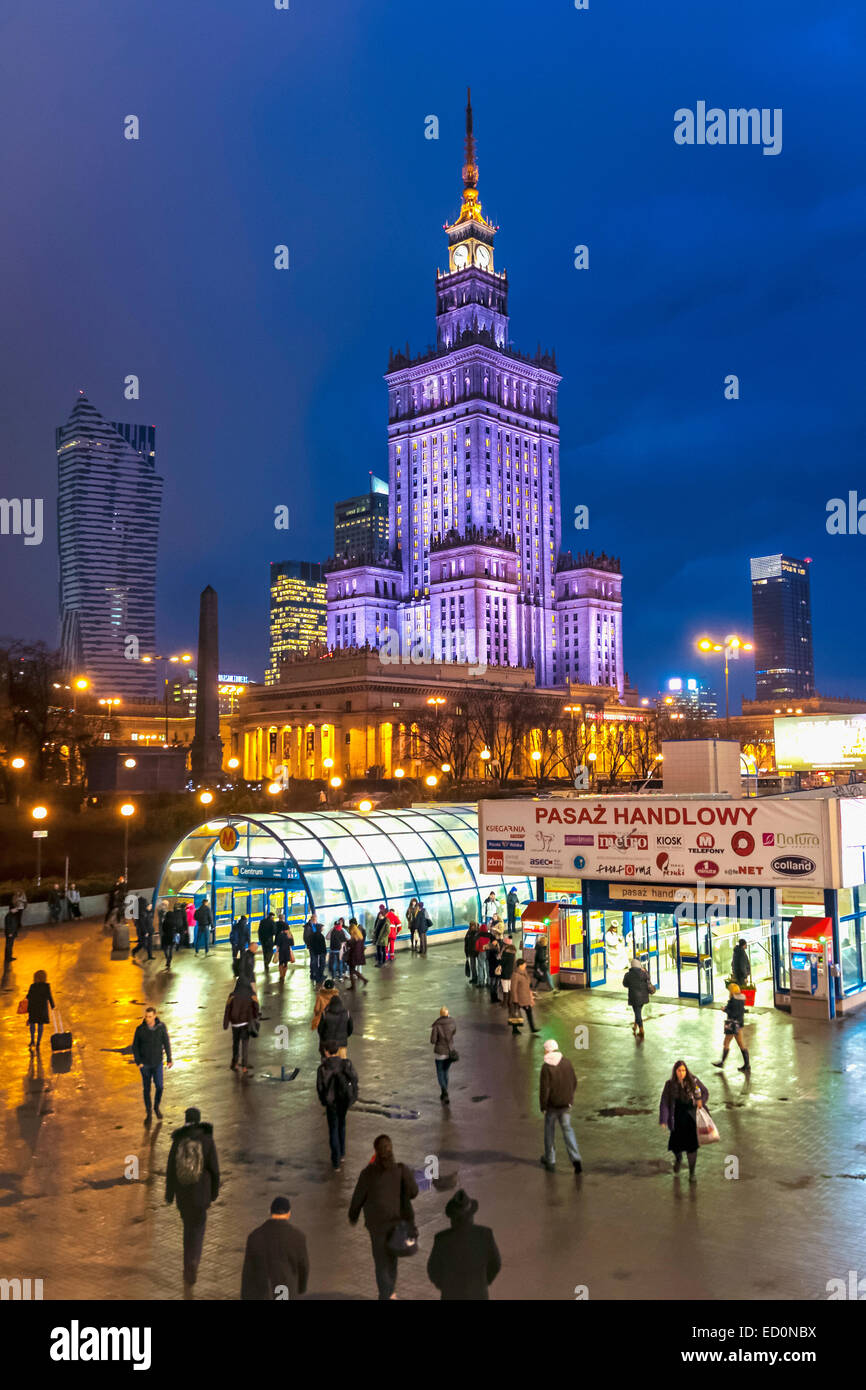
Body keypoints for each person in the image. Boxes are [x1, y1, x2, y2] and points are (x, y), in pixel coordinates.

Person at [348, 1134, 419, 1301]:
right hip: (396, 1223)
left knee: (380, 1263)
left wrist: (353, 1215)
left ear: (376, 1151)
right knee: (392, 1259)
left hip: (376, 1226)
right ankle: (389, 1293)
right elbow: (413, 1192)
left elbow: (358, 1196)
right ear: (391, 1149)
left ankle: (385, 1295)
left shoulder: (368, 1173)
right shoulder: (400, 1170)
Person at [165, 1106, 220, 1286]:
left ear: (186, 1120)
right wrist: (213, 1193)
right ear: (199, 1120)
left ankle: (187, 1262)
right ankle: (194, 1261)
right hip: (201, 1195)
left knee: (187, 1230)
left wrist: (169, 1194)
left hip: (183, 1195)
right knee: (199, 1229)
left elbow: (171, 1169)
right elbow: (214, 1169)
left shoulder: (178, 1139)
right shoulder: (207, 1139)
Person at [427, 1189, 502, 1301]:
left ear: (452, 1218)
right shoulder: (485, 1234)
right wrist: (484, 1282)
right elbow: (496, 1264)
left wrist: (445, 1286)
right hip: (478, 1294)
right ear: (471, 1215)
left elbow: (433, 1269)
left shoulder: (441, 1239)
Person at [241, 1196, 310, 1300]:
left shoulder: (254, 1236)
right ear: (288, 1213)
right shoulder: (298, 1237)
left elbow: (248, 1271)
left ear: (270, 1212)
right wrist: (301, 1289)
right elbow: (304, 1266)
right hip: (285, 1291)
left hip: (261, 1292)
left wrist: (245, 1295)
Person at [659, 1060, 709, 1182]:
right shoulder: (670, 1085)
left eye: (683, 1070)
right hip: (677, 1119)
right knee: (676, 1146)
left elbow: (705, 1092)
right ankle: (678, 1159)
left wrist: (701, 1101)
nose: (682, 1073)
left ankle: (692, 1173)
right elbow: (664, 1102)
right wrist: (664, 1119)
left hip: (691, 1118)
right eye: (679, 1071)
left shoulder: (694, 1082)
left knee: (692, 1147)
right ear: (675, 1072)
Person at [539, 1037, 582, 1172]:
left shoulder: (546, 1067)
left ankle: (550, 1160)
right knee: (568, 1131)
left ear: (547, 1050)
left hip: (552, 1106)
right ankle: (576, 1160)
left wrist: (543, 1106)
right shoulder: (567, 1063)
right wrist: (569, 1099)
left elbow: (545, 1089)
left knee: (549, 1131)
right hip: (565, 1105)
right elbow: (574, 1082)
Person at [316, 1042, 359, 1170]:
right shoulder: (346, 1064)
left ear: (326, 1052)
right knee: (342, 1125)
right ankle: (342, 1154)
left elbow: (320, 1087)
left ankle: (336, 1162)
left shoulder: (323, 1068)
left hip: (331, 1103)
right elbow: (355, 1079)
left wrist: (324, 1101)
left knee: (333, 1129)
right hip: (344, 1101)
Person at [132, 1005, 173, 1121]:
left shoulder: (161, 1027)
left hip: (157, 1063)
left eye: (150, 1017)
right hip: (145, 1065)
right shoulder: (140, 1030)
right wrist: (138, 1062)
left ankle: (156, 1106)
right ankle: (149, 1112)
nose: (148, 1019)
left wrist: (169, 1059)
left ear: (154, 1016)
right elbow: (135, 1046)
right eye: (146, 1017)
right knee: (146, 1089)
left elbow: (166, 1042)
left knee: (159, 1086)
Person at [713, 982, 751, 1072]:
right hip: (739, 1024)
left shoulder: (733, 1000)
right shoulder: (742, 998)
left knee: (726, 1042)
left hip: (732, 1024)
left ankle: (722, 1062)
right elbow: (739, 1011)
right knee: (741, 1044)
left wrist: (725, 1009)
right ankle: (747, 1065)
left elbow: (733, 1013)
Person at [223, 986, 259, 1072]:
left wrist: (226, 1024)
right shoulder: (251, 994)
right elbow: (256, 1009)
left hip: (235, 1024)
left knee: (235, 1044)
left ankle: (235, 1063)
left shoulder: (232, 995)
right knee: (245, 1045)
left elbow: (227, 1009)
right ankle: (244, 1067)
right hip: (245, 1024)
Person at [430, 1005, 456, 1103]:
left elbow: (433, 1040)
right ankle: (444, 1092)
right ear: (448, 1014)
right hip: (450, 1052)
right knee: (446, 1072)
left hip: (440, 1053)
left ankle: (444, 1091)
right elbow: (454, 1032)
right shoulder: (452, 1023)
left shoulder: (436, 1025)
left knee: (440, 1072)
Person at [622, 957, 652, 1038]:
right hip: (643, 997)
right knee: (637, 1012)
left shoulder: (628, 975)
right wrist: (645, 971)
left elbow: (625, 984)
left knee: (637, 1013)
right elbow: (649, 979)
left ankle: (641, 1029)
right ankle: (635, 1026)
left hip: (634, 997)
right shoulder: (644, 973)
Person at [509, 958, 540, 1035]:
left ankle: (532, 1028)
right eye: (524, 964)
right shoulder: (515, 975)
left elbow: (527, 984)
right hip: (519, 998)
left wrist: (531, 996)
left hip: (525, 997)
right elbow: (513, 988)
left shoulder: (524, 972)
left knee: (529, 1012)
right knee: (516, 1013)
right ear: (520, 965)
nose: (525, 965)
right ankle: (515, 1029)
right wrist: (515, 1000)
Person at [25, 969, 55, 1048]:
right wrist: (52, 1005)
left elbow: (28, 996)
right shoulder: (46, 986)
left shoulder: (33, 986)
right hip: (42, 1009)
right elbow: (49, 997)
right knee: (40, 1025)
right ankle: (38, 1042)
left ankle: (32, 1040)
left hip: (33, 1008)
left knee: (32, 1024)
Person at [5, 889, 27, 964]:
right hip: (10, 934)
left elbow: (15, 925)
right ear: (12, 909)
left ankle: (9, 957)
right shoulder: (9, 916)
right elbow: (8, 925)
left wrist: (15, 933)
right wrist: (10, 933)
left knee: (10, 946)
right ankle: (8, 958)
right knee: (9, 946)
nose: (16, 910)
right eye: (15, 909)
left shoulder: (13, 915)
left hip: (12, 933)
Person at [347, 923, 368, 989]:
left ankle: (354, 985)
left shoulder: (354, 938)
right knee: (352, 970)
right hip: (358, 956)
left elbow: (349, 945)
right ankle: (363, 980)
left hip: (353, 956)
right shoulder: (360, 937)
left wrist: (348, 941)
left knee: (351, 971)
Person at [499, 936, 517, 1009]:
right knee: (510, 988)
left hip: (505, 973)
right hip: (511, 973)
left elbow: (502, 962)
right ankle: (510, 1002)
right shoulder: (513, 953)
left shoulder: (506, 953)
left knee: (505, 988)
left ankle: (505, 1003)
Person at [309, 920, 327, 985]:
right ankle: (320, 976)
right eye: (322, 927)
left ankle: (317, 976)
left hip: (314, 952)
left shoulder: (312, 935)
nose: (323, 929)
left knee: (315, 964)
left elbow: (311, 944)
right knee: (322, 964)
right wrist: (324, 952)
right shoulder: (320, 936)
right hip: (321, 952)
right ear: (320, 928)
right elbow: (322, 945)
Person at [487, 931, 503, 1003]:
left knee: (493, 984)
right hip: (495, 970)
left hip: (492, 970)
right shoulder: (494, 952)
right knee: (495, 984)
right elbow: (497, 960)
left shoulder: (489, 951)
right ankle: (494, 998)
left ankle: (493, 997)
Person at [475, 921, 492, 988]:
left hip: (481, 952)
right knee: (488, 967)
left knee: (480, 967)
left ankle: (481, 983)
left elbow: (477, 946)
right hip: (488, 953)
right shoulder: (490, 936)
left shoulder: (479, 936)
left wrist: (477, 951)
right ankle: (489, 982)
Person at [303, 910, 319, 980]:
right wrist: (309, 944)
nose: (316, 921)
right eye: (315, 919)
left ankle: (315, 971)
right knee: (313, 959)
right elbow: (305, 937)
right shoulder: (308, 927)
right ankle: (313, 972)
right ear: (312, 919)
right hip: (312, 945)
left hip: (317, 945)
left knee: (316, 959)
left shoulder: (315, 925)